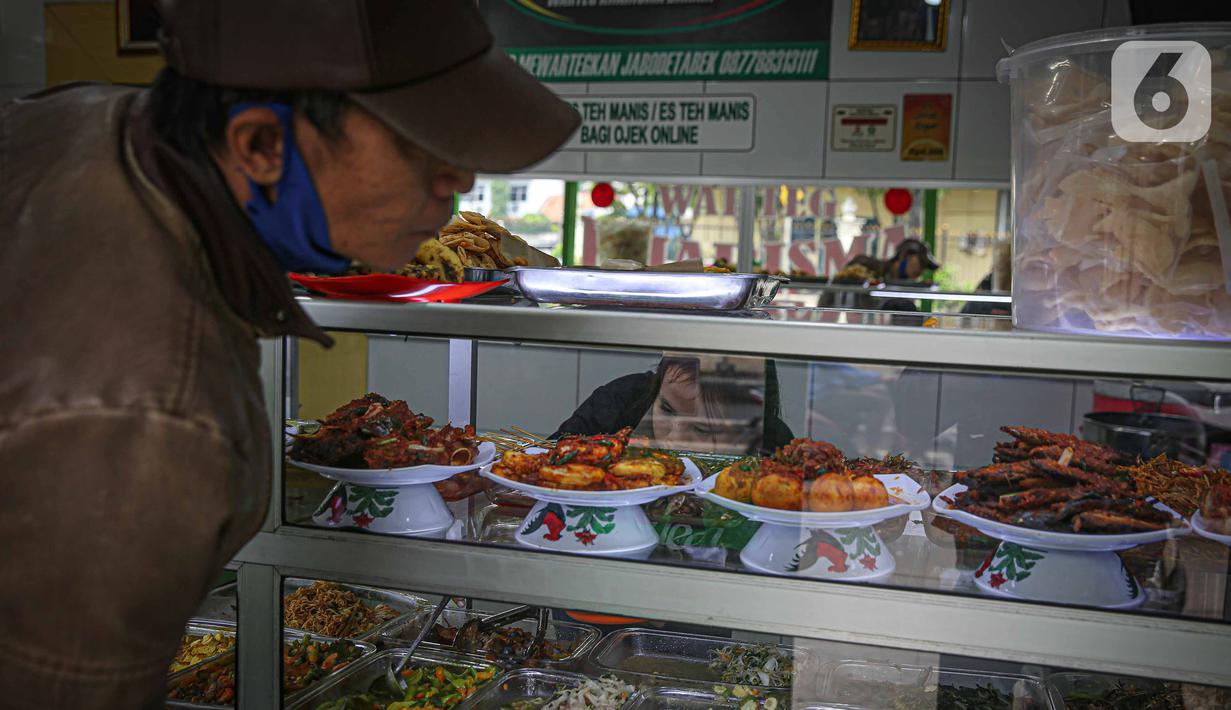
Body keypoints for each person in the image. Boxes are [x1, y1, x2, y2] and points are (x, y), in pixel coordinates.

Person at [0, 2, 579, 707]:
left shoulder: (92, 125)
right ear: (258, 146)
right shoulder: (152, 411)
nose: (457, 183)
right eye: (419, 147)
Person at [553, 355, 795, 456]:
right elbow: (550, 458)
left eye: (703, 428)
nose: (674, 439)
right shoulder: (618, 403)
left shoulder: (772, 447)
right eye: (666, 409)